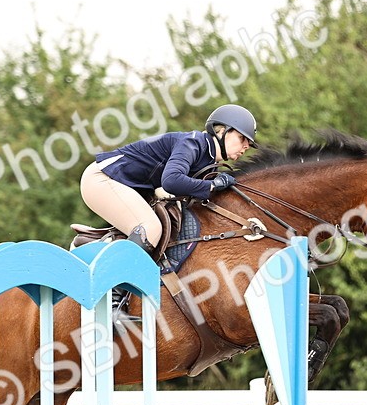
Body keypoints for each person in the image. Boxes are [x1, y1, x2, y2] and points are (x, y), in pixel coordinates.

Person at [80, 104, 258, 319]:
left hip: (121, 185)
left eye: (248, 142)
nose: (246, 146)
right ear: (221, 130)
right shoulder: (192, 142)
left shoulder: (208, 159)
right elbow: (172, 180)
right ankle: (112, 299)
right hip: (101, 179)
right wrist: (212, 186)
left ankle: (99, 249)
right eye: (242, 138)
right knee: (150, 228)